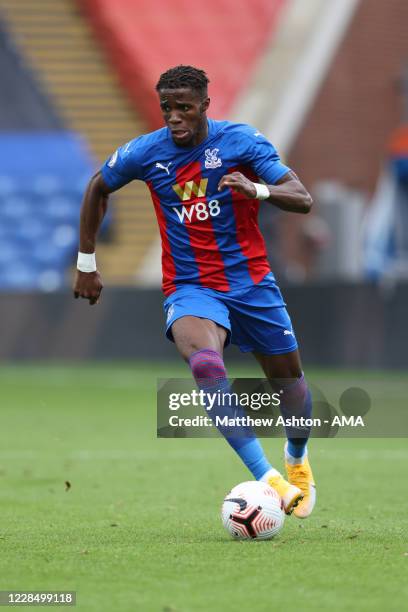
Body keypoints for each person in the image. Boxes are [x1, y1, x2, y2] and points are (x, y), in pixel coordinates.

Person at [73, 65, 316, 518]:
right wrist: (87, 261)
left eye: (184, 107)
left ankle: (297, 458)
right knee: (205, 364)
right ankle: (269, 479)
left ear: (205, 104)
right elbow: (97, 187)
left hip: (252, 283)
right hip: (191, 288)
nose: (174, 118)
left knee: (292, 389)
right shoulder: (146, 152)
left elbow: (301, 197)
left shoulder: (241, 141)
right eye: (166, 108)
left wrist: (256, 188)